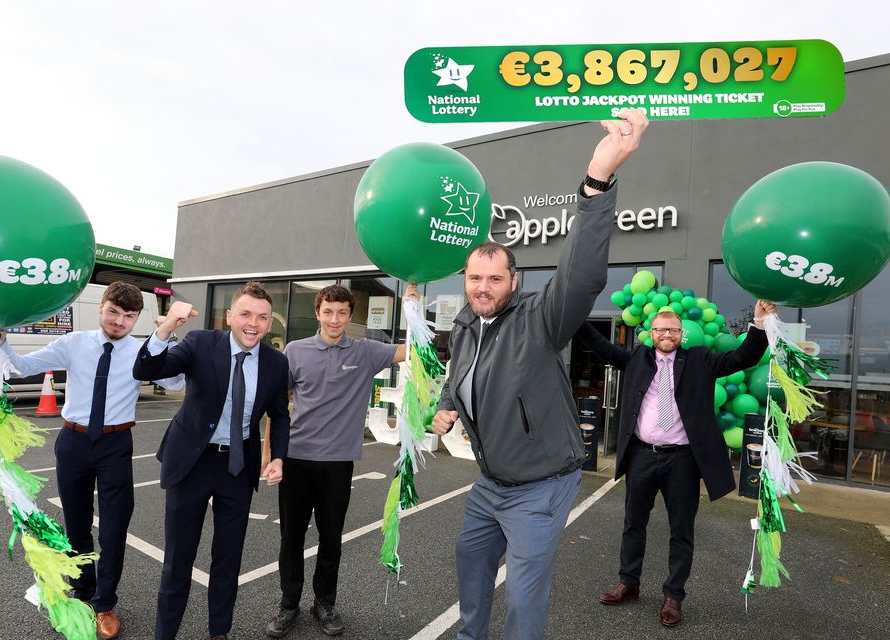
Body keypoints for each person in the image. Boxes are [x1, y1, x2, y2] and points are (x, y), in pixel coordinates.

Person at [429, 110, 650, 640]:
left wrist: (595, 186)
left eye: (494, 278)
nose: (483, 287)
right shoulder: (464, 325)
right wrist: (447, 403)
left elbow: (581, 275)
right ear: (465, 280)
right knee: (470, 565)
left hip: (542, 485)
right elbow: (460, 373)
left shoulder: (539, 319)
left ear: (513, 280)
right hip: (490, 481)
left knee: (525, 595)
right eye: (474, 277)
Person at [0, 281, 185, 639]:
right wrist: (1, 341)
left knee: (114, 528)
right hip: (73, 442)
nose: (119, 321)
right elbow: (25, 365)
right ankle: (84, 592)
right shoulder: (75, 343)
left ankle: (105, 604)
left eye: (129, 316)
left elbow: (176, 384)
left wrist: (166, 338)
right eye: (113, 312)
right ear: (101, 307)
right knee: (76, 526)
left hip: (115, 445)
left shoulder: (143, 351)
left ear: (138, 318)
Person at [574, 299, 775, 627]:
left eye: (672, 330)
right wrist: (577, 318)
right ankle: (629, 583)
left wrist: (758, 325)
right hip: (641, 454)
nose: (665, 334)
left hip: (682, 460)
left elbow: (744, 357)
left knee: (681, 529)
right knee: (633, 523)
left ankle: (673, 596)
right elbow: (602, 348)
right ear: (650, 334)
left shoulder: (700, 360)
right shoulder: (636, 357)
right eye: (660, 329)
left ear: (682, 335)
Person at [133, 281, 291, 640]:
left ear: (270, 324)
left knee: (228, 560)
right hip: (192, 462)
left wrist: (278, 457)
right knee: (178, 561)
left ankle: (218, 633)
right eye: (246, 314)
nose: (254, 323)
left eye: (263, 317)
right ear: (230, 316)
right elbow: (146, 370)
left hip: (238, 466)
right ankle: (165, 634)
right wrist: (166, 327)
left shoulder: (276, 363)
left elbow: (280, 416)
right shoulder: (202, 343)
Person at [266, 284, 408, 638]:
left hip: (338, 464)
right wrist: (271, 456)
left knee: (331, 537)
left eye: (342, 313)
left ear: (350, 315)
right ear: (318, 313)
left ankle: (324, 603)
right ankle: (288, 605)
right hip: (296, 461)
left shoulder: (366, 352)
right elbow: (277, 411)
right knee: (291, 538)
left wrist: (413, 308)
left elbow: (413, 352)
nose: (334, 319)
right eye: (328, 312)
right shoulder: (295, 352)